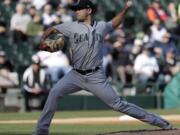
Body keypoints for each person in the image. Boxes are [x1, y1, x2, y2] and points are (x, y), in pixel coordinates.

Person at [33, 0, 173, 134]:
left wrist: (126, 8)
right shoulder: (71, 26)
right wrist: (42, 42)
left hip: (95, 76)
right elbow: (51, 29)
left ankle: (162, 123)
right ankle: (41, 131)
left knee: (118, 104)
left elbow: (115, 23)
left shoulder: (101, 26)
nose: (76, 11)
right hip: (75, 75)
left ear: (88, 10)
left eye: (79, 9)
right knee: (54, 93)